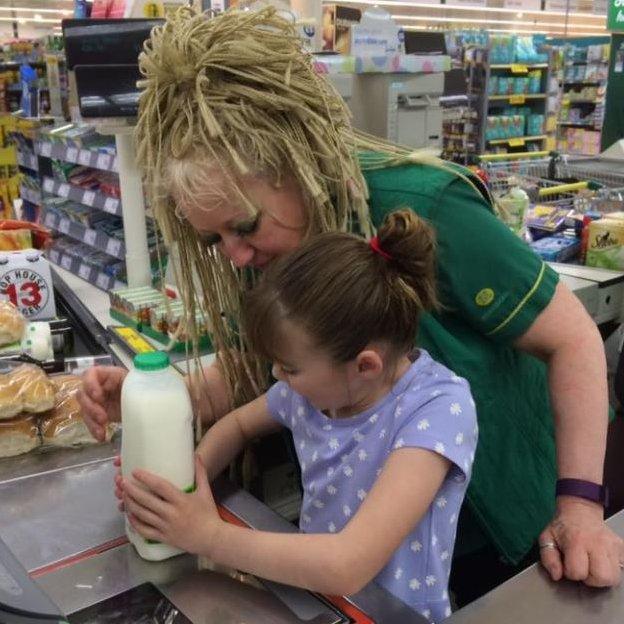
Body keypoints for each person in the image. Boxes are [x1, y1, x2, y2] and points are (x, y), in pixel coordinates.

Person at [78, 6, 624, 597]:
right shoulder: (264, 256)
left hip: (501, 522)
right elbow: (256, 374)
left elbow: (572, 338)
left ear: (294, 162)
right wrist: (156, 395)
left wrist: (580, 506)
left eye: (245, 226)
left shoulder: (424, 208)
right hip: (365, 559)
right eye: (215, 239)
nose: (234, 255)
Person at [120, 211, 478, 622]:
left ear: (365, 366)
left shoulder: (436, 410)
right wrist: (182, 485)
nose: (277, 377)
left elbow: (347, 564)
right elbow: (236, 426)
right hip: (318, 602)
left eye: (289, 367)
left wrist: (208, 536)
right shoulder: (310, 392)